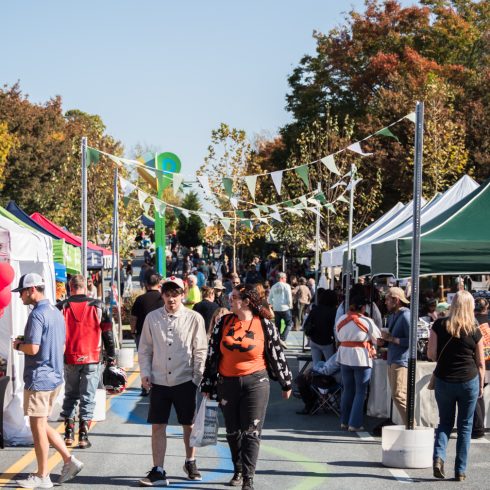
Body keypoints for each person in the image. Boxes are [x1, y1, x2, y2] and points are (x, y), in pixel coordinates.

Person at [201, 284, 292, 490]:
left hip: (256, 383)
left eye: (233, 297)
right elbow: (212, 353)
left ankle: (249, 478)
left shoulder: (265, 325)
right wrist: (207, 382)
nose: (229, 300)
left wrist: (286, 381)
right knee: (233, 431)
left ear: (246, 302)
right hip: (227, 383)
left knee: (251, 431)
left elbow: (277, 353)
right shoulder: (223, 322)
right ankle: (238, 468)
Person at [12, 273, 83, 488]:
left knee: (37, 428)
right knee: (41, 423)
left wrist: (17, 345)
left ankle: (42, 476)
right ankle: (69, 460)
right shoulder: (55, 312)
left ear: (32, 290)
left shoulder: (36, 315)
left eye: (22, 292)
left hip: (39, 378)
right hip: (54, 375)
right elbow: (60, 346)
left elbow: (33, 348)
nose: (20, 297)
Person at [138, 276, 208, 486]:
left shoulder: (194, 318)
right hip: (159, 380)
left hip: (184, 379)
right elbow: (145, 349)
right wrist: (145, 373)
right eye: (167, 294)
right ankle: (158, 469)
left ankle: (191, 461)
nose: (171, 299)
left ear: (183, 294)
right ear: (162, 295)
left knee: (189, 424)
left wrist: (197, 377)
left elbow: (200, 350)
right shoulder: (152, 318)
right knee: (158, 425)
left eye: (175, 294)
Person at [428, 291, 485, 481]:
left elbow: (432, 355)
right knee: (465, 426)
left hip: (444, 379)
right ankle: (460, 470)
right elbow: (480, 362)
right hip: (468, 381)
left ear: (452, 305)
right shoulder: (475, 330)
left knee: (444, 422)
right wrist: (481, 384)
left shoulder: (438, 325)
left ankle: (438, 457)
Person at [58, 274, 116, 449]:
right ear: (86, 286)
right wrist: (112, 355)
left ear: (70, 287)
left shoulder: (61, 307)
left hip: (69, 357)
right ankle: (83, 436)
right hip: (92, 357)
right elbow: (108, 333)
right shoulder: (99, 307)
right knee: (88, 397)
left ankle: (68, 433)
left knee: (70, 395)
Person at [336, 295, 380, 432]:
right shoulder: (367, 321)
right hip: (361, 356)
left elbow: (337, 336)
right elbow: (378, 338)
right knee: (361, 392)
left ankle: (344, 421)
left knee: (348, 389)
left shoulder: (341, 319)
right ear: (363, 307)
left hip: (344, 356)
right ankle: (354, 424)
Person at [380, 287, 411, 425]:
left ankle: (411, 425)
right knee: (397, 395)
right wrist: (385, 340)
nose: (385, 302)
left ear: (396, 300)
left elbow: (412, 341)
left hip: (401, 360)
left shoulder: (405, 315)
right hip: (393, 359)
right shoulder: (394, 315)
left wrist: (391, 339)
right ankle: (409, 425)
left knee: (399, 396)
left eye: (387, 299)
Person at [130, 273, 164, 396]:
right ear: (158, 284)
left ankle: (145, 386)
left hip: (142, 335)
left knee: (144, 360)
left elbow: (133, 318)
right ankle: (158, 385)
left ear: (146, 284)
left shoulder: (140, 299)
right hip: (160, 334)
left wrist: (133, 331)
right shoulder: (163, 298)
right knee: (159, 359)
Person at [304, 288, 337, 364]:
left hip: (314, 340)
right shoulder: (333, 311)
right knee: (330, 365)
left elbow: (307, 323)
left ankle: (316, 375)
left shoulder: (315, 309)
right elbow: (334, 328)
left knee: (316, 365)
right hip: (327, 341)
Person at [472, 298, 489, 439]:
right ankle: (478, 427)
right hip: (486, 362)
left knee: (478, 395)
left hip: (479, 362)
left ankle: (478, 428)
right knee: (479, 394)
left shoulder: (472, 321)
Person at [268, 272, 293, 347]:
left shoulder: (273, 286)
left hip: (276, 308)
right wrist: (290, 305)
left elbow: (270, 299)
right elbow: (289, 296)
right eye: (285, 278)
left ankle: (277, 339)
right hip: (285, 307)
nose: (286, 279)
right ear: (282, 278)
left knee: (277, 325)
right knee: (289, 323)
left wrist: (273, 305)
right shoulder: (286, 285)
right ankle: (282, 338)